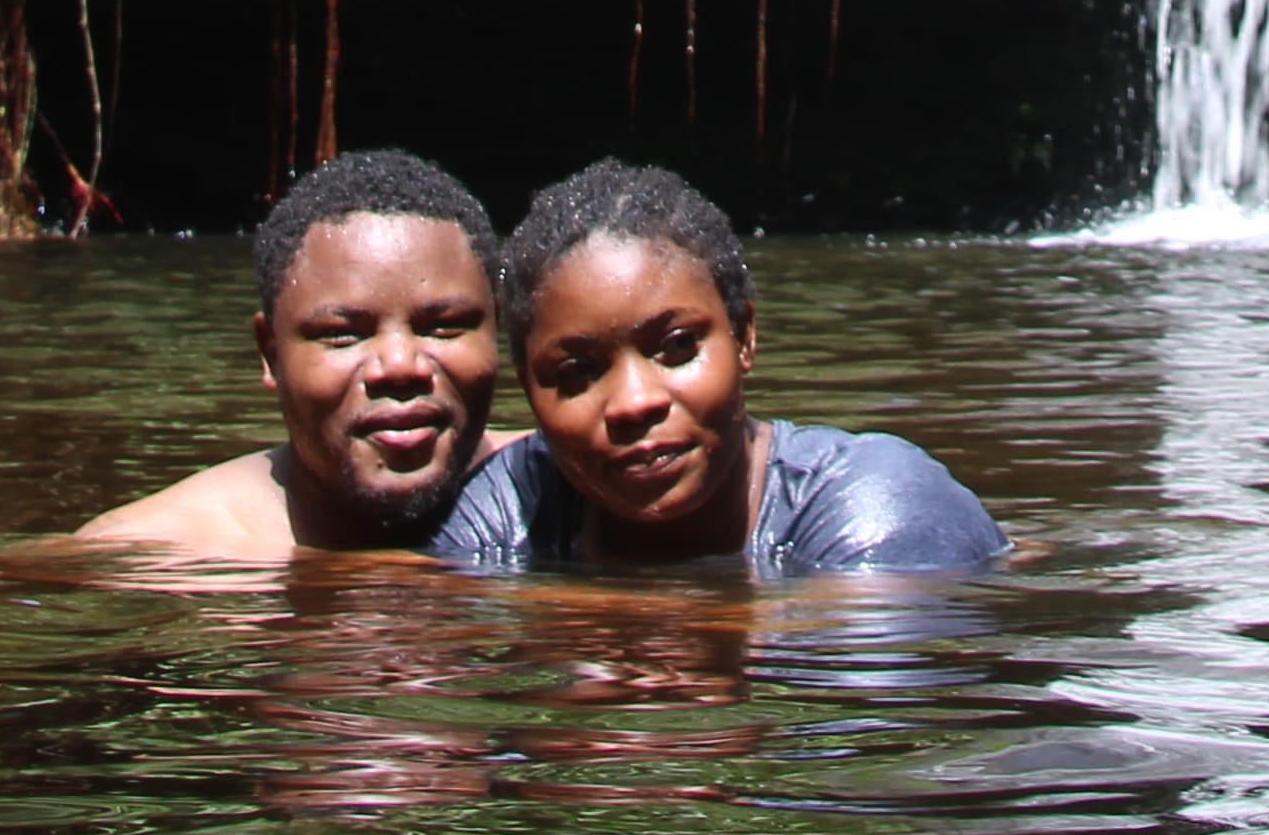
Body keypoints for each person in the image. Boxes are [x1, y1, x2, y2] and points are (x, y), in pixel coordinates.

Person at [429, 158, 1008, 575]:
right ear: (530, 391)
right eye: (578, 372)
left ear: (745, 336)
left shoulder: (880, 504)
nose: (634, 402)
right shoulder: (514, 508)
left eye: (677, 347)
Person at [75, 148, 507, 557]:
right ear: (270, 354)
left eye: (444, 327)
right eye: (343, 334)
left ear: (500, 331)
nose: (398, 366)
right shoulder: (154, 555)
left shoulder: (563, 485)